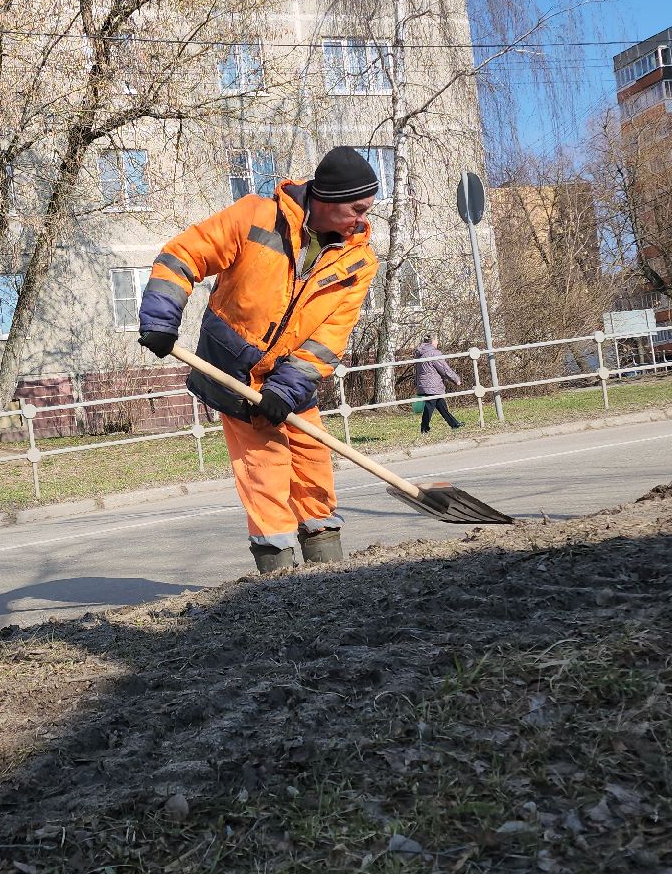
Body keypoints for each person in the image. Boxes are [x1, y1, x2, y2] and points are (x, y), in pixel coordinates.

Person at [137, 147, 379, 573]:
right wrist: (161, 317)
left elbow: (327, 340)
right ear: (325, 199)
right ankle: (280, 585)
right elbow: (184, 254)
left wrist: (284, 391)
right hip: (232, 373)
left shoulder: (358, 260)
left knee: (315, 471)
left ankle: (332, 581)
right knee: (264, 472)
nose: (364, 220)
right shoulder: (255, 217)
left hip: (293, 379)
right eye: (357, 209)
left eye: (368, 208)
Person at [413, 335, 463, 432]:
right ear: (432, 341)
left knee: (441, 405)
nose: (437, 342)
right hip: (432, 385)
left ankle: (454, 424)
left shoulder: (420, 353)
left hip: (424, 384)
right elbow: (444, 369)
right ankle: (424, 429)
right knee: (429, 406)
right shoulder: (434, 353)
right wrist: (455, 379)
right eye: (436, 340)